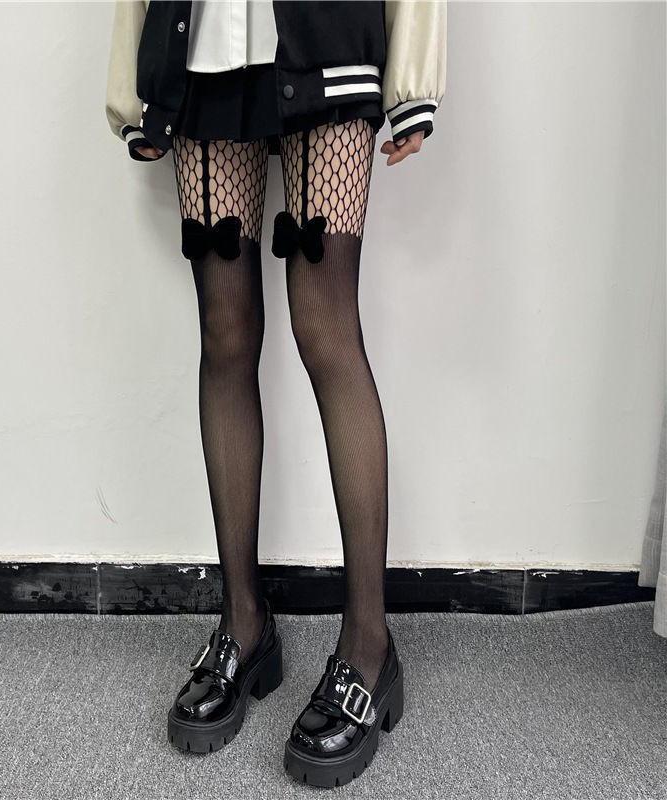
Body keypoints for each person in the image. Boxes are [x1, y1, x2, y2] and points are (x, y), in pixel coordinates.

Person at [105, 0, 446, 787]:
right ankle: (244, 622)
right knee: (224, 338)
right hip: (203, 54)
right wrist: (136, 83)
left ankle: (369, 643)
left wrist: (413, 83)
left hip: (329, 41)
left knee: (327, 333)